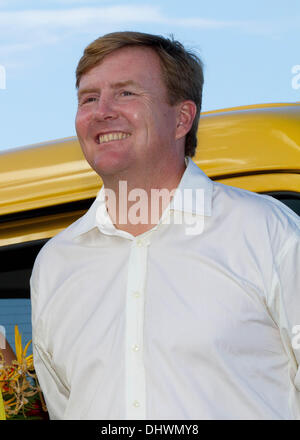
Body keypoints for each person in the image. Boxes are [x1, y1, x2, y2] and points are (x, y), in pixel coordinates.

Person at [30, 31, 300, 420]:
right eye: (89, 98)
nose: (101, 111)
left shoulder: (266, 231)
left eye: (125, 93)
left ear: (182, 118)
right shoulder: (55, 265)